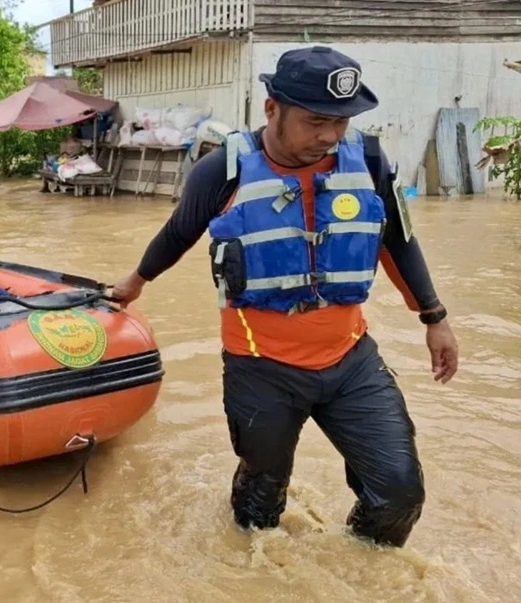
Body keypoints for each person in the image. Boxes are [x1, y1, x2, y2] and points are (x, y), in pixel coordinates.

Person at [111, 46, 459, 548]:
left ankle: (357, 570)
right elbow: (176, 236)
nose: (329, 136)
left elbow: (397, 240)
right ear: (272, 108)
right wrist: (134, 283)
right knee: (260, 508)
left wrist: (434, 317)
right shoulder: (221, 173)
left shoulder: (372, 161)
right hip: (261, 367)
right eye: (315, 121)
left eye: (341, 121)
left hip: (350, 361)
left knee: (400, 493)